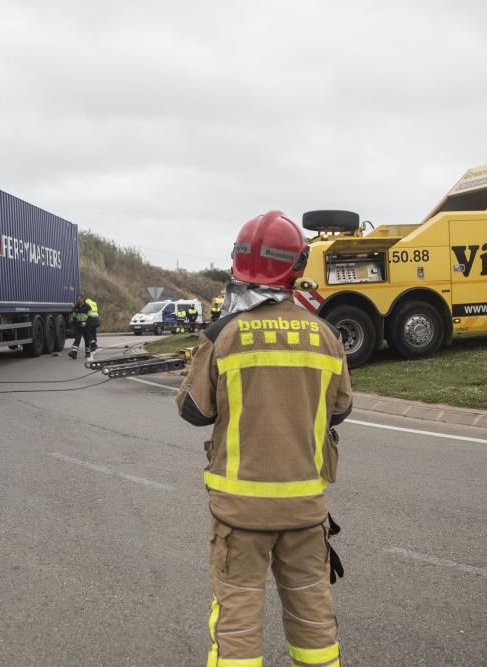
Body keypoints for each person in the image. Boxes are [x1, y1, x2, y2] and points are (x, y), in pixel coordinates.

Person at [176, 211, 352, 667]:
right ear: (296, 267)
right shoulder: (328, 337)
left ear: (237, 265)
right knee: (313, 617)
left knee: (236, 622)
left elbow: (195, 412)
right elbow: (341, 409)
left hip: (239, 513)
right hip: (304, 510)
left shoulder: (223, 335)